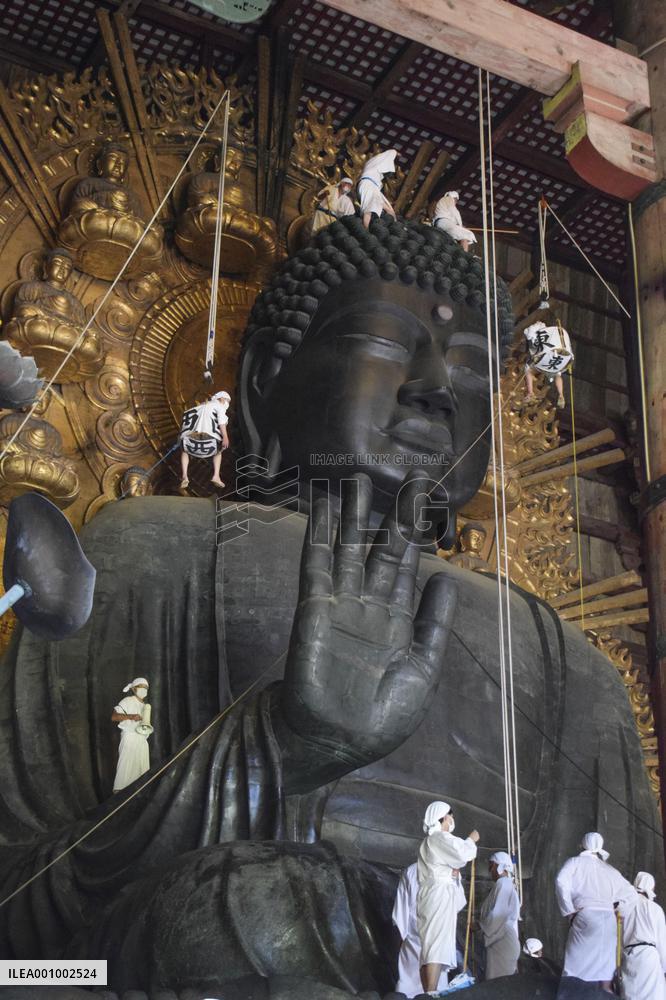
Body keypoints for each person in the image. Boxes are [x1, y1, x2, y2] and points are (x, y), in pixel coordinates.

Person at [556, 832, 636, 993]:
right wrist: (617, 909)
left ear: (582, 845)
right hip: (608, 920)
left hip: (587, 915)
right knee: (605, 973)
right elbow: (631, 894)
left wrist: (569, 911)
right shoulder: (610, 869)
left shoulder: (575, 862)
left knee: (575, 970)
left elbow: (560, 881)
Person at [417, 801, 479, 995]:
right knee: (435, 945)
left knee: (431, 944)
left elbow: (450, 863)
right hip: (438, 895)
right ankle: (431, 992)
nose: (452, 819)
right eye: (450, 815)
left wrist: (453, 874)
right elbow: (462, 853)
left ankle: (429, 990)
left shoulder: (429, 842)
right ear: (443, 817)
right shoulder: (439, 837)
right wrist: (471, 839)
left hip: (431, 894)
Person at [392, 861, 452, 997]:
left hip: (418, 934)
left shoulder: (411, 870)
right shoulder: (446, 871)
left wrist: (403, 933)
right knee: (428, 987)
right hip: (423, 935)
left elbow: (401, 912)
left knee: (417, 985)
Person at [621, 871, 666, 1000]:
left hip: (628, 957)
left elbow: (617, 937)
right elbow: (662, 941)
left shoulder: (623, 908)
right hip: (648, 957)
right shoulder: (655, 909)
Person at [523, 302, 573, 410]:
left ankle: (531, 392)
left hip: (545, 357)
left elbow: (528, 334)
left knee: (527, 369)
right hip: (557, 356)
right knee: (557, 373)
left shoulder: (538, 328)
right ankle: (561, 394)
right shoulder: (555, 332)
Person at [479, 851, 521, 980]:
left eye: (491, 866)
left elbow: (498, 915)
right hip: (499, 941)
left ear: (499, 866)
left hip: (503, 941)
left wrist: (479, 926)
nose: (489, 870)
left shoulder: (504, 883)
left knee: (499, 985)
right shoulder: (503, 884)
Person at [179, 389, 230, 489]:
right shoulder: (218, 405)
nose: (227, 403)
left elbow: (183, 427)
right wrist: (225, 437)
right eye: (227, 401)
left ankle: (184, 475)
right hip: (210, 443)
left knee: (184, 450)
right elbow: (221, 422)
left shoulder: (196, 407)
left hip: (190, 443)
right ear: (221, 399)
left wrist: (180, 441)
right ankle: (216, 476)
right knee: (219, 452)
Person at [111, 678, 152, 792]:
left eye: (146, 687)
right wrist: (130, 716)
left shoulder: (146, 706)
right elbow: (114, 717)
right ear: (134, 689)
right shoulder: (128, 700)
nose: (144, 689)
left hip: (142, 741)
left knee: (141, 773)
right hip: (130, 738)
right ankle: (118, 797)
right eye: (141, 687)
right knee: (125, 772)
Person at [357, 149, 398, 228]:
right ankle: (366, 229)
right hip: (368, 185)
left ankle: (395, 224)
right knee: (369, 208)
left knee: (388, 207)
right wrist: (396, 153)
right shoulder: (375, 162)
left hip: (371, 186)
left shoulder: (371, 165)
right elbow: (391, 152)